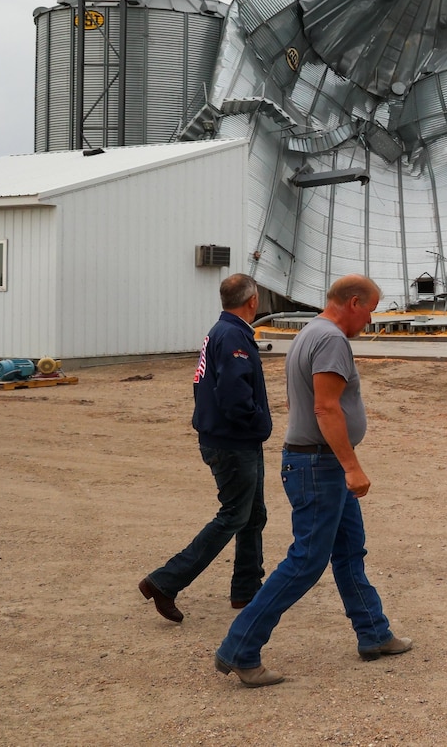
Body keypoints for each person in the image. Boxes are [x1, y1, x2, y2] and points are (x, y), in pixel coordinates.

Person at [214, 274, 412, 687]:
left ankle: (373, 633)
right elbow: (325, 409)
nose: (370, 321)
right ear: (353, 302)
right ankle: (240, 648)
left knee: (348, 551)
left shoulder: (310, 333)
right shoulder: (331, 339)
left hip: (317, 464)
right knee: (306, 561)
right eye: (370, 311)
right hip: (319, 466)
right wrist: (351, 465)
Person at [139, 274, 271, 623]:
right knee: (234, 515)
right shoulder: (232, 336)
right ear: (253, 301)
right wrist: (258, 422)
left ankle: (247, 589)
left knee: (253, 516)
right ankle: (165, 581)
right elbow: (233, 395)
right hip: (232, 442)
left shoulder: (223, 331)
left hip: (232, 439)